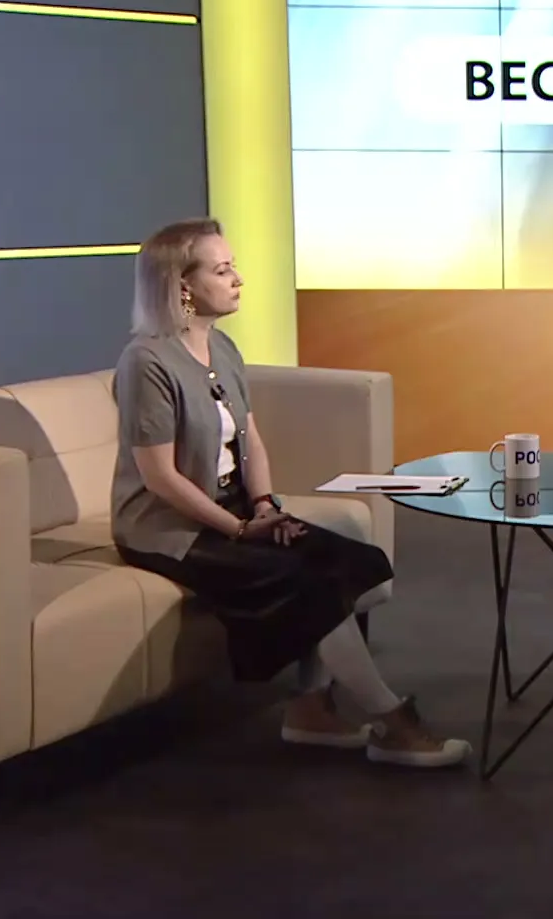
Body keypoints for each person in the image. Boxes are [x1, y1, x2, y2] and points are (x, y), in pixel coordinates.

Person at [110, 217, 470, 770]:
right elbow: (160, 478)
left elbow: (250, 439)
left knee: (342, 556)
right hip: (168, 528)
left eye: (233, 267)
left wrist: (265, 506)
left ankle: (310, 709)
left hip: (233, 512)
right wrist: (239, 529)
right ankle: (390, 718)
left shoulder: (222, 347)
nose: (238, 279)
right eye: (222, 270)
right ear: (181, 286)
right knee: (304, 578)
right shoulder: (146, 362)